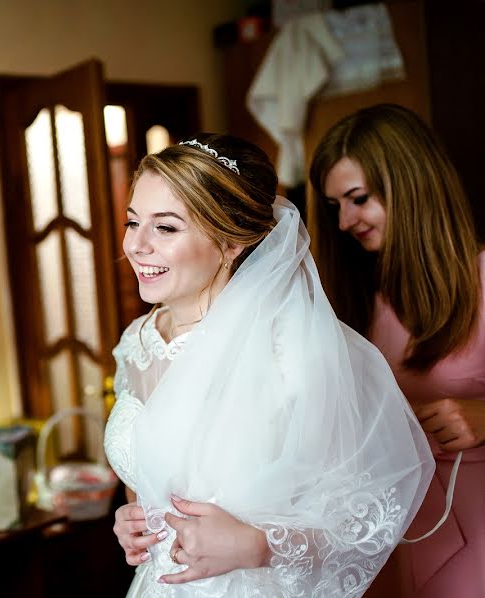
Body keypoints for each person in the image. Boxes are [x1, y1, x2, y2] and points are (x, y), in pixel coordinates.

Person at [104, 134, 434, 596]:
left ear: (231, 241)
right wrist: (132, 515)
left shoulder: (296, 350)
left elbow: (370, 517)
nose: (136, 245)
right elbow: (146, 473)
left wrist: (259, 545)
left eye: (166, 228)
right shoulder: (134, 343)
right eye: (132, 221)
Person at [308, 103, 485, 598]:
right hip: (383, 530)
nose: (344, 221)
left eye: (358, 198)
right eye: (334, 206)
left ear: (411, 185)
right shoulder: (353, 299)